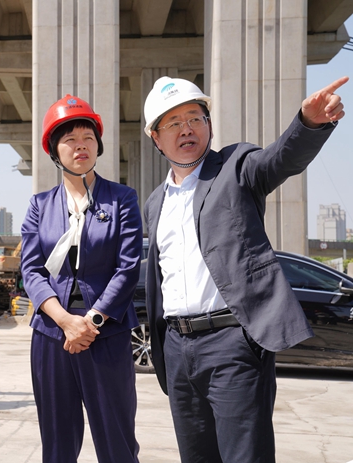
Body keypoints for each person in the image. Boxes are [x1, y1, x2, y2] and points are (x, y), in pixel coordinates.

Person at [142, 75, 347, 463]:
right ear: (156, 137)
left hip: (231, 344)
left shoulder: (236, 167)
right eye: (174, 122)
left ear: (209, 125)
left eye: (195, 118)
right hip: (177, 349)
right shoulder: (155, 203)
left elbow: (280, 160)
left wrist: (308, 124)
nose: (187, 129)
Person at [20, 95, 143, 462]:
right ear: (54, 150)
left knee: (117, 442)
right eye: (70, 139)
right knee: (57, 444)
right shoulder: (40, 206)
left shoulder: (122, 199)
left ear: (98, 145)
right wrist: (64, 321)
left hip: (105, 334)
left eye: (88, 137)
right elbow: (31, 270)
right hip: (52, 336)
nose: (81, 146)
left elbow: (128, 267)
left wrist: (92, 322)